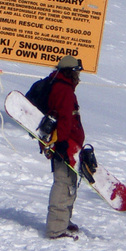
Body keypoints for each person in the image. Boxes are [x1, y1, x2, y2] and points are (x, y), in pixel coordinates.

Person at [39, 55, 85, 240]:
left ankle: (63, 220)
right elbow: (65, 119)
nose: (79, 77)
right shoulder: (64, 90)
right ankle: (56, 229)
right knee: (63, 183)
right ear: (70, 72)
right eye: (77, 72)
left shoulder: (57, 84)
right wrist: (64, 145)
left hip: (65, 143)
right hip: (64, 144)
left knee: (69, 183)